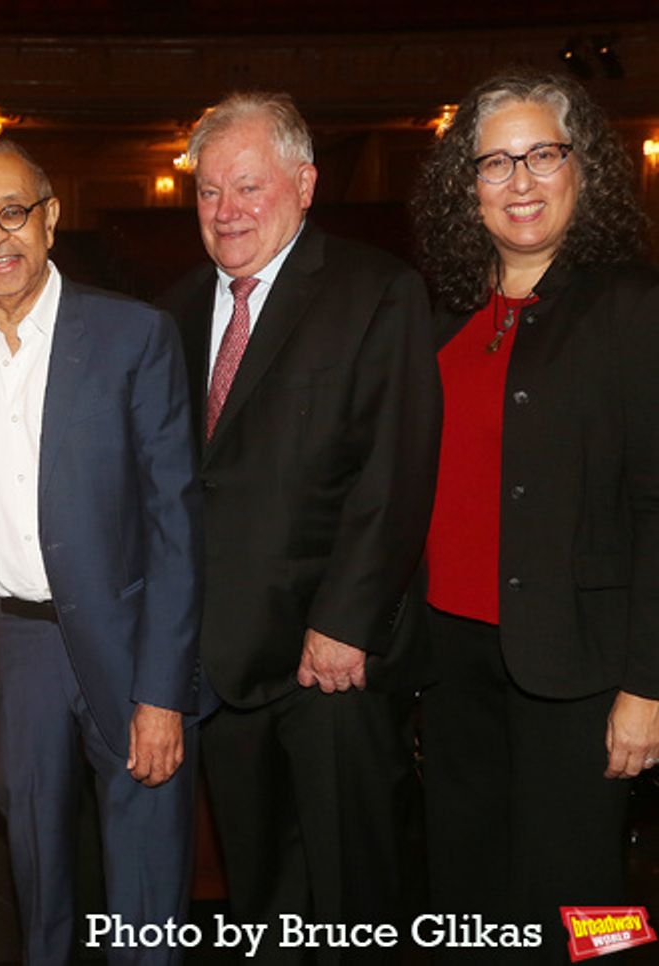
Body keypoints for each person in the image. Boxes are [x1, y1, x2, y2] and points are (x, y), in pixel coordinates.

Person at [159, 92, 440, 956]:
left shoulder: (375, 292)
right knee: (259, 897)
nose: (227, 211)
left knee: (353, 893)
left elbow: (394, 472)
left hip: (331, 667)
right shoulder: (169, 312)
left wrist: (345, 624)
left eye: (248, 186)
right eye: (209, 192)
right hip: (223, 668)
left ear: (305, 183)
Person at [413, 69, 659, 959]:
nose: (520, 182)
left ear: (581, 169)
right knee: (472, 898)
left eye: (541, 156)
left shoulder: (632, 309)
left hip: (582, 665)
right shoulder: (440, 316)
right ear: (465, 188)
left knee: (589, 908)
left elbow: (656, 506)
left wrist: (648, 685)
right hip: (454, 662)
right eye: (494, 164)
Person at [0, 139, 202, 966]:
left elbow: (176, 525)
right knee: (37, 884)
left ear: (51, 217)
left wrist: (162, 689)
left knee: (144, 897)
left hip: (129, 650)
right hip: (16, 651)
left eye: (13, 212)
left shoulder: (134, 335)